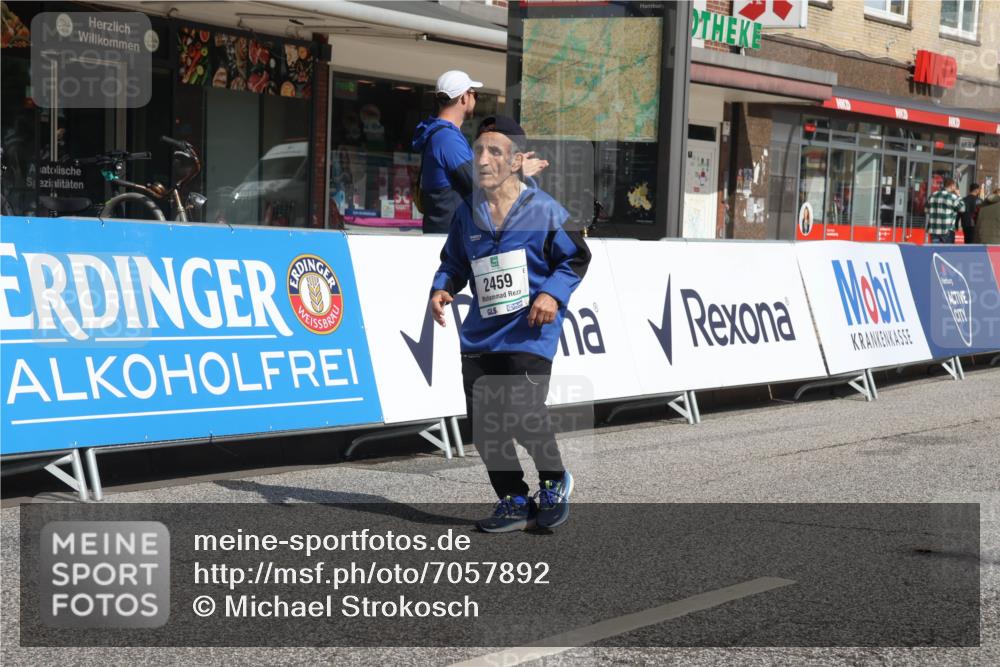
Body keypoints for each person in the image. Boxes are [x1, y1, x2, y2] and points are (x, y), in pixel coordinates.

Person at [429, 116, 590, 533]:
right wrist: (442, 287)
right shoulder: (468, 213)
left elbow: (576, 257)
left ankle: (553, 481)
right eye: (478, 150)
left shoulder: (545, 210)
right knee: (486, 428)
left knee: (522, 413)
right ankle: (513, 499)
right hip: (481, 336)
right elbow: (454, 261)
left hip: (529, 332)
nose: (483, 159)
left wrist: (552, 294)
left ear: (517, 161)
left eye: (495, 152)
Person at [411, 70, 548, 234]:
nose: (475, 99)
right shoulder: (447, 139)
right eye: (474, 94)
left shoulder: (442, 135)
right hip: (449, 237)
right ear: (464, 98)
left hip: (448, 233)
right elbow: (479, 185)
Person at [925, 178, 965, 244]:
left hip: (933, 230)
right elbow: (962, 209)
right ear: (952, 185)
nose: (955, 188)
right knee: (947, 250)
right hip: (947, 230)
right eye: (955, 186)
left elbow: (926, 210)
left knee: (935, 249)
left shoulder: (932, 195)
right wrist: (959, 196)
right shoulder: (952, 197)